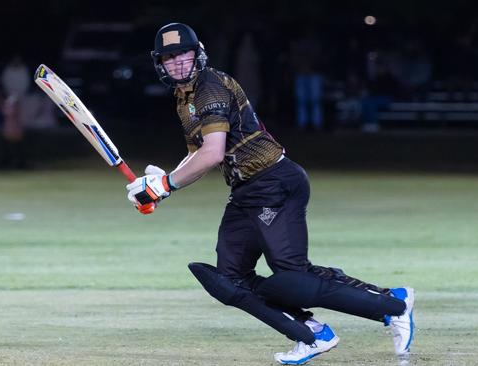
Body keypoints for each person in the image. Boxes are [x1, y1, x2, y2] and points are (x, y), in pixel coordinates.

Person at [126, 23, 415, 364]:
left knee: (292, 276)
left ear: (197, 53)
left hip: (274, 182)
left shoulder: (210, 89)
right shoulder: (184, 97)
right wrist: (160, 186)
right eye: (168, 58)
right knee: (231, 279)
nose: (176, 63)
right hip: (246, 191)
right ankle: (311, 333)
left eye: (181, 54)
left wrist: (167, 184)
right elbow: (197, 153)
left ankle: (393, 306)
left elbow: (213, 153)